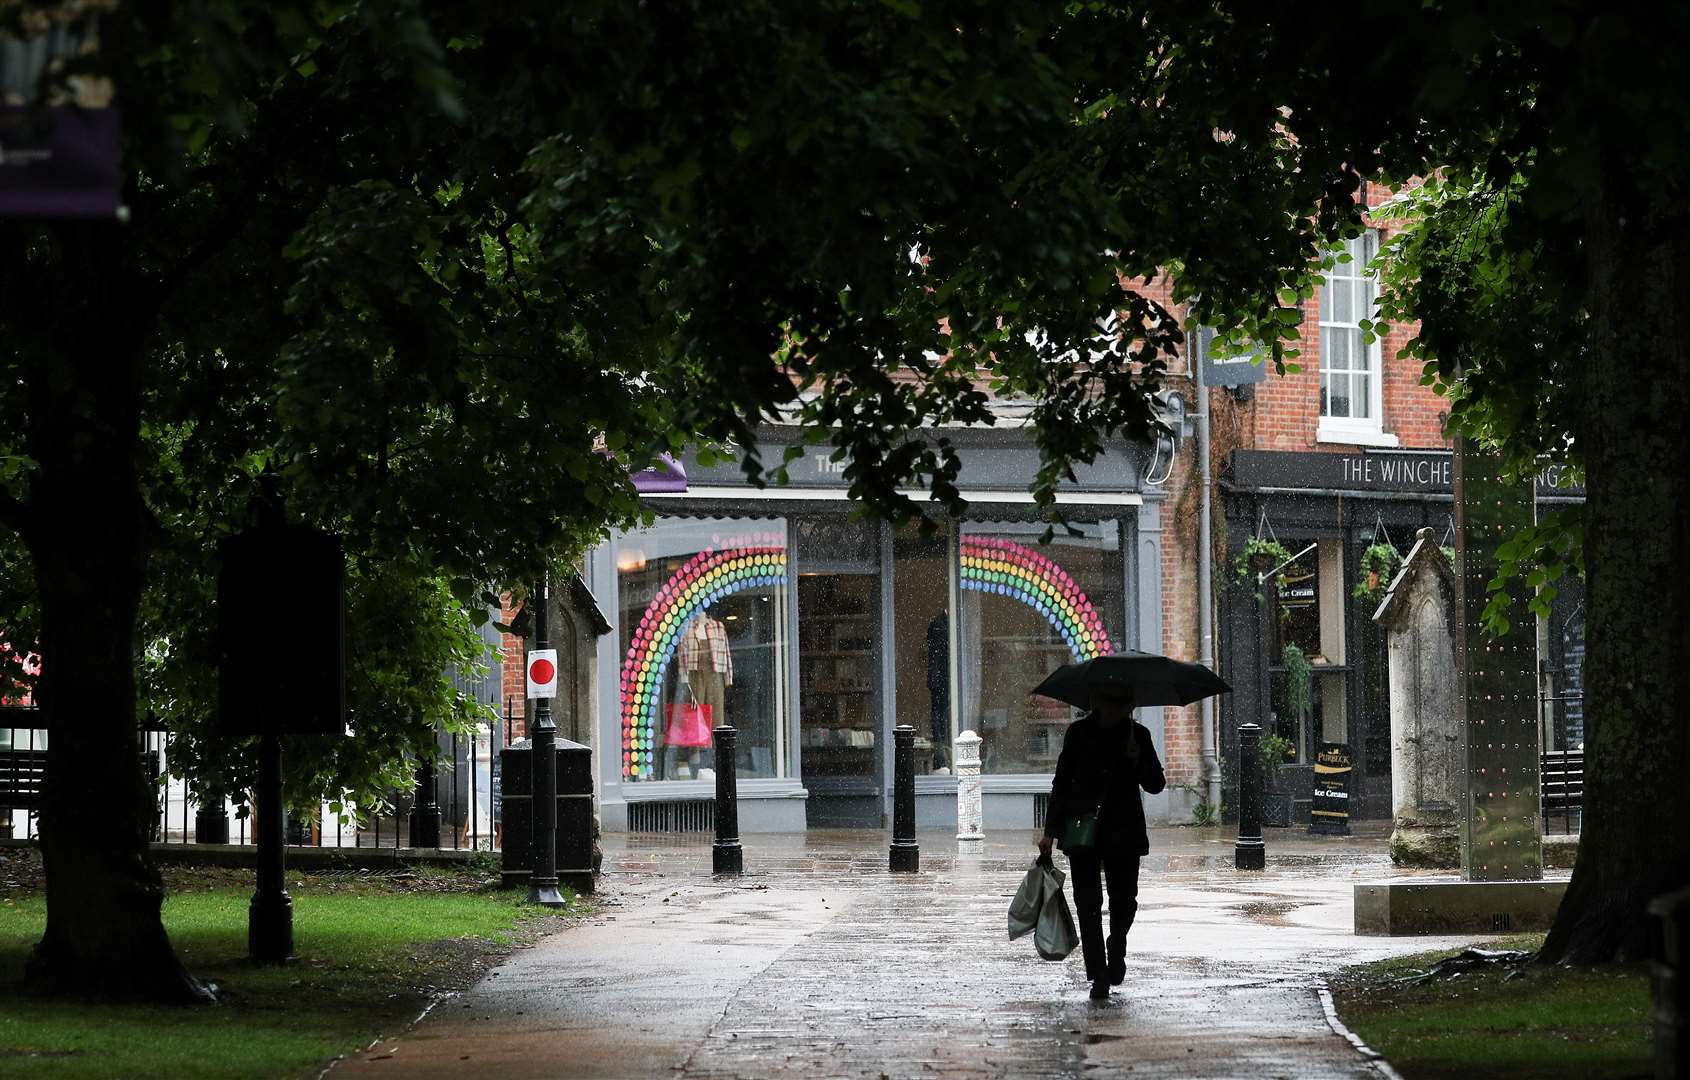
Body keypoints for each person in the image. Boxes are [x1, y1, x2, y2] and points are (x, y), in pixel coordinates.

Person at [1037, 689, 1165, 1001]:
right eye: (1109, 702)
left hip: (1124, 831)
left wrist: (1137, 759)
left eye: (1120, 703)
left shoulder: (1139, 735)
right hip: (1084, 830)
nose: (1114, 708)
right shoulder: (1078, 734)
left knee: (1125, 900)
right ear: (1096, 702)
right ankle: (1098, 974)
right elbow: (1062, 782)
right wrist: (1050, 831)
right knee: (1088, 903)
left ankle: (1116, 945)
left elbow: (1156, 784)